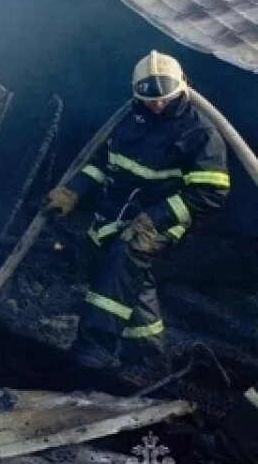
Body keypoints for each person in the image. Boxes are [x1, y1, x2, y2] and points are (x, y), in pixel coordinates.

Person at [46, 50, 230, 370]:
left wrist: (154, 219)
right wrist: (71, 192)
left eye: (164, 99)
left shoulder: (199, 132)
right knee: (129, 277)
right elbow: (102, 163)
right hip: (118, 212)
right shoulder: (128, 120)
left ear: (181, 88)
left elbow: (210, 192)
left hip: (163, 219)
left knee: (122, 258)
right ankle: (145, 354)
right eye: (150, 100)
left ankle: (93, 349)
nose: (157, 105)